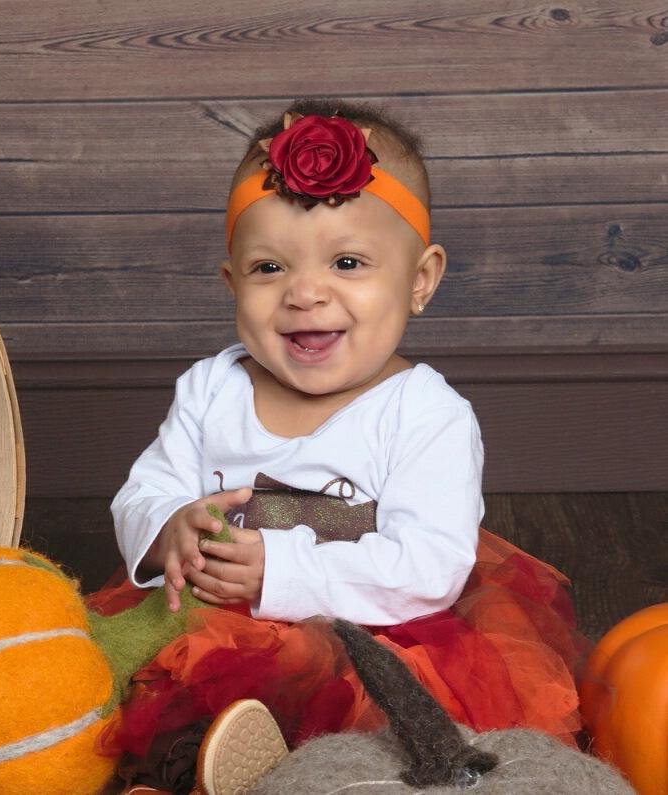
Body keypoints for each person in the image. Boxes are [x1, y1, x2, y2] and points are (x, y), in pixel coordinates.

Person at [90, 97, 587, 795]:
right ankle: (184, 768)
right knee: (126, 676)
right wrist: (168, 527)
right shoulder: (212, 388)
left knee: (365, 730)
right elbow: (145, 490)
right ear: (232, 282)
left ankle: (276, 770)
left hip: (368, 632)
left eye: (347, 262)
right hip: (213, 619)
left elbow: (427, 566)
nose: (304, 292)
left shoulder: (424, 413)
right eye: (269, 269)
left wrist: (278, 571)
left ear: (419, 280)